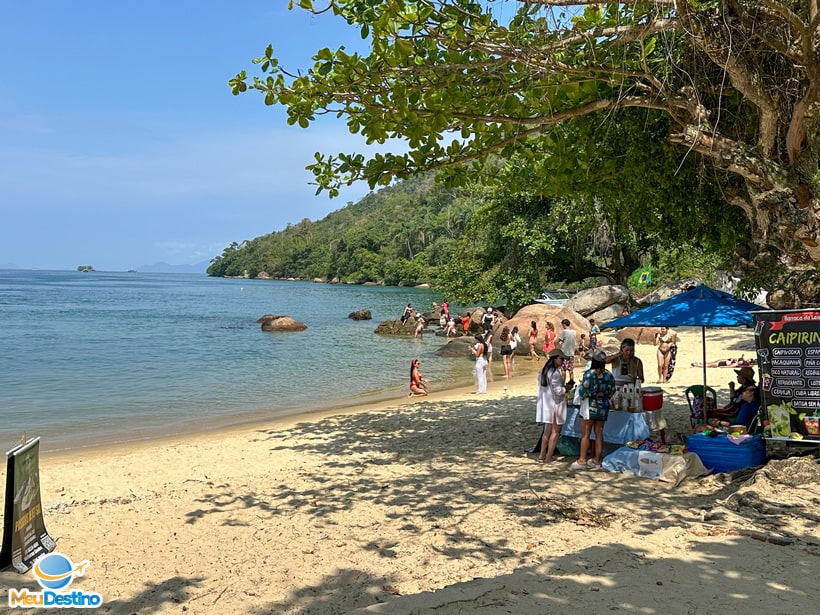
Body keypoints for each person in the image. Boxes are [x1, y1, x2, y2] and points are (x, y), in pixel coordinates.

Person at [571, 350, 616, 470]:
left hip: (589, 406)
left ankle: (582, 460)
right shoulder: (609, 375)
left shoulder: (589, 374)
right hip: (603, 406)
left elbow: (583, 392)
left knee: (585, 434)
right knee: (598, 434)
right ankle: (597, 461)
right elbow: (612, 390)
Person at [536, 349, 569, 463]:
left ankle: (542, 455)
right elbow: (558, 391)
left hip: (546, 404)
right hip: (555, 404)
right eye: (561, 359)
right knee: (555, 431)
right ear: (555, 359)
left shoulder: (543, 371)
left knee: (547, 431)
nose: (563, 361)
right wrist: (567, 388)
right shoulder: (554, 373)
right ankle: (549, 457)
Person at [691, 356, 756, 368]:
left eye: (749, 360)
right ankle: (699, 363)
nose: (748, 359)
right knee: (710, 363)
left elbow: (730, 366)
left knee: (709, 365)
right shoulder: (742, 361)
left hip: (723, 363)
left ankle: (697, 365)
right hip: (725, 361)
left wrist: (723, 367)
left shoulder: (740, 364)